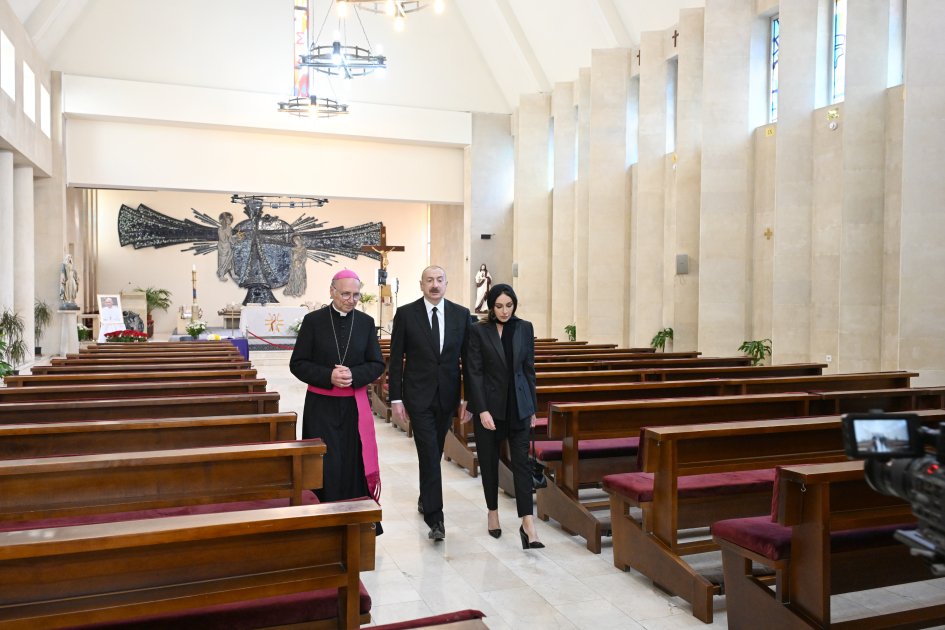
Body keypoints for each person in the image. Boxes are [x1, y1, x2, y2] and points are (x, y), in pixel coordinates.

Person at [289, 269, 386, 531]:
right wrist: (328, 376)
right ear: (332, 291)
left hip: (354, 407)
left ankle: (356, 521)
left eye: (356, 295)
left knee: (354, 462)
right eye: (345, 294)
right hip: (321, 407)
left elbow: (377, 363)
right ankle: (322, 522)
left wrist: (354, 375)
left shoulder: (365, 323)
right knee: (324, 463)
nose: (351, 300)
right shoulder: (313, 321)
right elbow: (297, 363)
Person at [388, 265, 471, 541]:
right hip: (418, 396)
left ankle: (426, 497)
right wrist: (396, 398)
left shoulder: (461, 315)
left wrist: (467, 398)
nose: (434, 285)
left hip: (447, 397)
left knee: (433, 452)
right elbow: (396, 359)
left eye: (439, 280)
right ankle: (436, 519)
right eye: (429, 280)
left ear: (446, 283)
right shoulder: (406, 314)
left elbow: (469, 361)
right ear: (421, 284)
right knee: (428, 452)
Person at [465, 284, 543, 549]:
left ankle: (528, 523)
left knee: (522, 464)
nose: (504, 311)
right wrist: (482, 409)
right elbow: (474, 372)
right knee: (489, 463)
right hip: (490, 409)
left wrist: (532, 408)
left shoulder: (525, 328)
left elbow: (529, 369)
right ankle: (493, 512)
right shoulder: (479, 330)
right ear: (491, 307)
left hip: (519, 407)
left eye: (509, 305)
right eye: (499, 306)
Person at [216, 212, 235, 280]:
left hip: (229, 246)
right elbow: (222, 239)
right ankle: (221, 275)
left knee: (231, 261)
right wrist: (227, 236)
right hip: (223, 247)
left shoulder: (230, 228)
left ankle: (233, 274)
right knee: (223, 261)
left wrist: (235, 239)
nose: (230, 221)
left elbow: (230, 238)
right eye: (228, 219)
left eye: (230, 219)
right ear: (225, 220)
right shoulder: (220, 229)